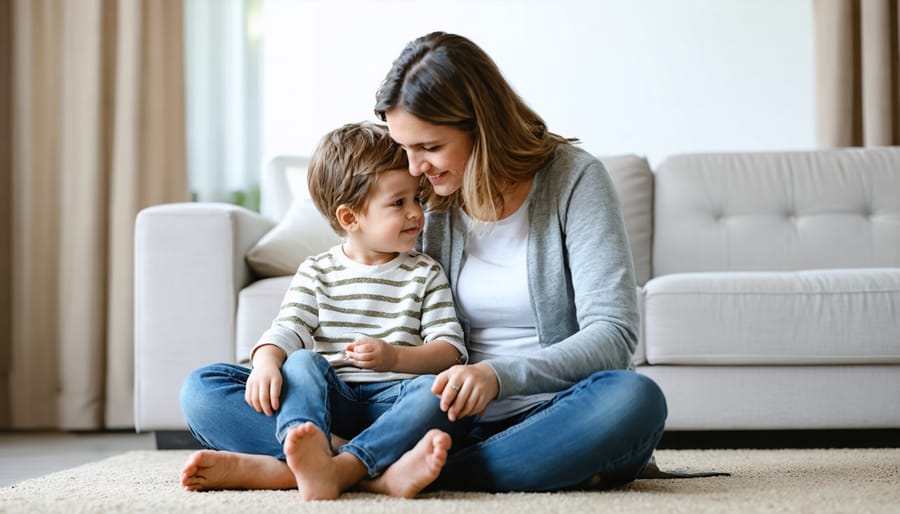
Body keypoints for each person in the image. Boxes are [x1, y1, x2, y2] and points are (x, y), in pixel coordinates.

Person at [181, 30, 668, 497]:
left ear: (484, 128)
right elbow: (360, 228)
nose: (415, 170)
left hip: (537, 415)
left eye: (429, 148)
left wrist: (496, 376)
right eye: (406, 149)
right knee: (205, 389)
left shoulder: (575, 182)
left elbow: (613, 335)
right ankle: (373, 464)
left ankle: (349, 467)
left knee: (633, 402)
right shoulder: (428, 195)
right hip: (418, 415)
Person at [179, 121, 472, 500]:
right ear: (350, 218)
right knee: (212, 385)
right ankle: (350, 462)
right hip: (323, 405)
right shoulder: (317, 271)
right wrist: (267, 362)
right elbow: (288, 328)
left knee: (448, 396)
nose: (416, 212)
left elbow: (450, 350)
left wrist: (395, 356)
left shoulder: (426, 272)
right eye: (399, 203)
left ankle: (302, 469)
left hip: (392, 401)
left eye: (417, 198)